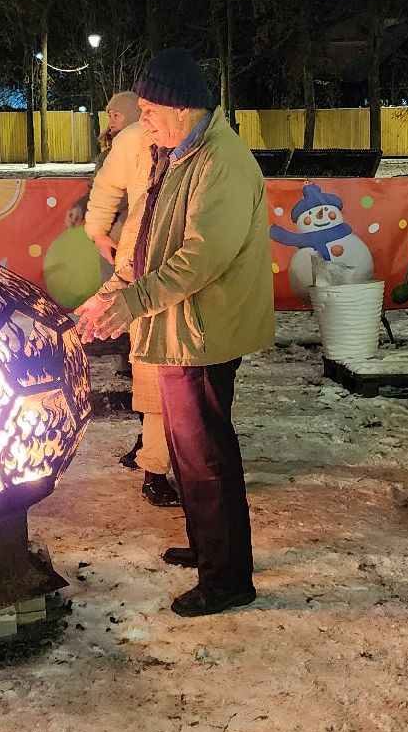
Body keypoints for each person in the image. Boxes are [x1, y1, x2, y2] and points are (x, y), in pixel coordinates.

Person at [75, 49, 275, 617]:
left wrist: (132, 302)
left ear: (182, 108)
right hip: (180, 325)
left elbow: (197, 260)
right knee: (191, 452)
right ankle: (210, 545)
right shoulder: (177, 154)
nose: (142, 121)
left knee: (205, 453)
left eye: (148, 109)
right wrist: (112, 294)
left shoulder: (221, 164)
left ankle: (227, 579)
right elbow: (145, 244)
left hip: (203, 331)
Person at [84, 96, 179, 508]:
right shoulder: (133, 145)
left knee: (177, 388)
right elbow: (108, 192)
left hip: (183, 290)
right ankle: (155, 467)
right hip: (146, 278)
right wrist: (100, 234)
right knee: (153, 381)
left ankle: (169, 465)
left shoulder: (203, 159)